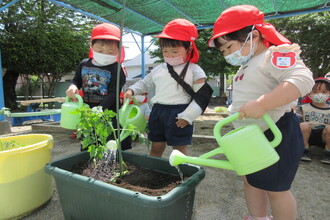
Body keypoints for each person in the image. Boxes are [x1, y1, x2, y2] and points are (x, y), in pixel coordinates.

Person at [208, 5, 314, 220]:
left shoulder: (274, 55)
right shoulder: (247, 63)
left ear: (253, 35)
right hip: (251, 136)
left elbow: (302, 80)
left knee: (276, 188)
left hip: (277, 129)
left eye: (228, 47)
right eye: (223, 51)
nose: (227, 54)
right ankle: (257, 217)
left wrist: (263, 103)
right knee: (251, 179)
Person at [124, 18, 207, 158]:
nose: (169, 55)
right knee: (156, 146)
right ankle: (154, 170)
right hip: (158, 111)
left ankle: (183, 174)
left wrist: (189, 116)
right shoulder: (159, 69)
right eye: (165, 51)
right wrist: (131, 90)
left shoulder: (195, 70)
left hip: (180, 112)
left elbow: (202, 98)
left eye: (174, 52)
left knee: (179, 150)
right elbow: (144, 83)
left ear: (189, 48)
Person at [66, 23, 131, 150]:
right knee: (90, 144)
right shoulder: (84, 64)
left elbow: (113, 93)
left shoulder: (117, 69)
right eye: (100, 51)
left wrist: (99, 109)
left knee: (111, 145)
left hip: (109, 114)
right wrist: (72, 87)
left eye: (110, 51)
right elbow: (76, 81)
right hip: (88, 113)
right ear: (91, 46)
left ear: (118, 50)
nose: (105, 54)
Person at [296, 77, 330, 163]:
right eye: (315, 91)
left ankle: (328, 151)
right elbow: (296, 120)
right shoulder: (303, 107)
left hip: (324, 136)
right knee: (303, 125)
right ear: (309, 93)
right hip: (307, 134)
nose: (319, 94)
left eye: (324, 92)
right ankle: (303, 149)